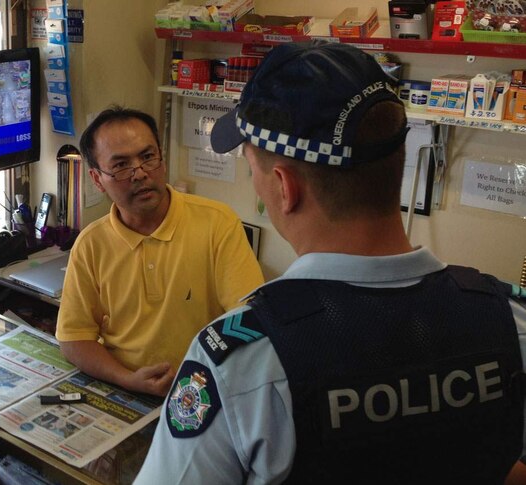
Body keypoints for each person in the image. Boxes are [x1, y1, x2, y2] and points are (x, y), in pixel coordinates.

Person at [136, 41, 526, 484]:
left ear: (285, 187)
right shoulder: (508, 320)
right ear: (395, 164)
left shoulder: (238, 363)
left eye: (253, 171)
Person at [56, 106, 264, 397]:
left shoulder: (218, 223)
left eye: (148, 157)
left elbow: (249, 322)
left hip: (205, 392)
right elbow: (73, 339)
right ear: (96, 179)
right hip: (126, 390)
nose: (140, 173)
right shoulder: (91, 244)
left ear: (162, 159)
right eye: (120, 165)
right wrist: (127, 379)